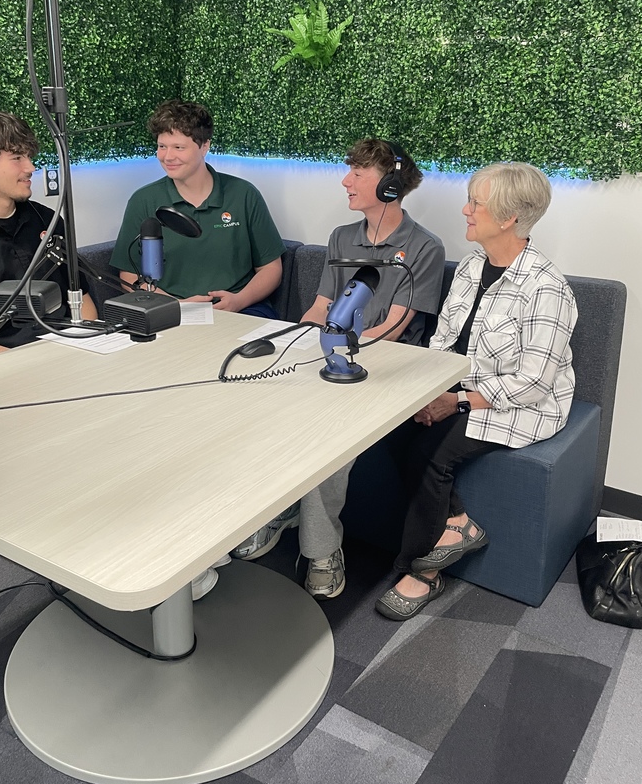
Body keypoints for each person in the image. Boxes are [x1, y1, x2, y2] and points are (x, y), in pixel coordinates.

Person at [231, 139, 447, 602]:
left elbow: (394, 327)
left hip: (384, 372)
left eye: (358, 174)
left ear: (390, 185)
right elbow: (321, 306)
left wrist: (343, 354)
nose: (345, 181)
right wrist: (290, 347)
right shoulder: (340, 238)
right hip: (328, 357)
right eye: (348, 171)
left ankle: (323, 550)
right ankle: (278, 509)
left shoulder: (424, 247)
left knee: (327, 433)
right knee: (260, 403)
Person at [374, 161, 578, 621]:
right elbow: (444, 341)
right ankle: (458, 522)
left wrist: (455, 402)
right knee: (390, 427)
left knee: (432, 451)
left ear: (508, 219)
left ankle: (420, 572)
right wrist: (426, 393)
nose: (464, 210)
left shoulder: (547, 289)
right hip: (462, 386)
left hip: (524, 405)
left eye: (475, 203)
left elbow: (532, 382)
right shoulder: (470, 267)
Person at [0, 110, 98, 358]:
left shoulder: (47, 220)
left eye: (29, 156)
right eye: (17, 157)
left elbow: (82, 298)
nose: (31, 167)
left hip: (69, 355)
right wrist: (29, 361)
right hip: (3, 371)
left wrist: (88, 346)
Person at [111, 99, 284, 318]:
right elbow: (128, 274)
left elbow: (271, 268)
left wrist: (240, 300)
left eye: (179, 147)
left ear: (205, 146)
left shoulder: (243, 195)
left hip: (242, 310)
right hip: (169, 309)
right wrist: (174, 305)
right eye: (162, 146)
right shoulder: (143, 200)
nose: (167, 156)